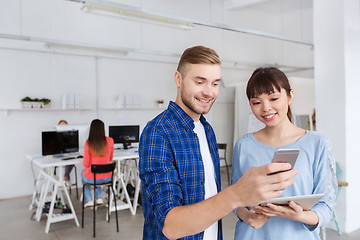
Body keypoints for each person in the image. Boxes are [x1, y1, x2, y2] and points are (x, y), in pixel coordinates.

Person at [139, 46, 298, 240]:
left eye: (215, 84)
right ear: (178, 79)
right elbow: (170, 226)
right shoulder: (158, 132)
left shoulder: (206, 130)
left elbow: (209, 203)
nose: (209, 92)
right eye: (200, 82)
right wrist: (236, 195)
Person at [231, 67, 337, 240]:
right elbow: (235, 200)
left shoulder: (318, 144)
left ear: (290, 96)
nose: (266, 108)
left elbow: (326, 207)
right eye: (256, 102)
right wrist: (248, 216)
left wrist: (298, 215)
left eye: (273, 98)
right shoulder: (243, 145)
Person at [82, 119, 114, 207]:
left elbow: (86, 164)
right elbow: (111, 158)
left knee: (84, 174)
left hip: (94, 178)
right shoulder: (110, 140)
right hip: (108, 178)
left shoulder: (88, 143)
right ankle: (98, 198)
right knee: (99, 172)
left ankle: (89, 200)